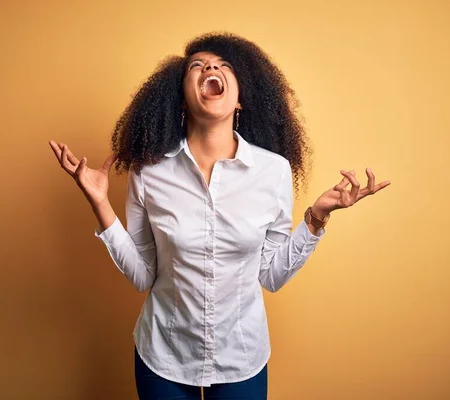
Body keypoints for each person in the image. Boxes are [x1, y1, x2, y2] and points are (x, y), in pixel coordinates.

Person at [48, 32, 390, 400]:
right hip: (163, 356)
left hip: (240, 359)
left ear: (241, 99)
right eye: (197, 66)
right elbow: (142, 274)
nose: (210, 67)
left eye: (223, 65)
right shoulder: (148, 172)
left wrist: (316, 219)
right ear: (181, 99)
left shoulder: (272, 171)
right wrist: (100, 203)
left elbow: (271, 276)